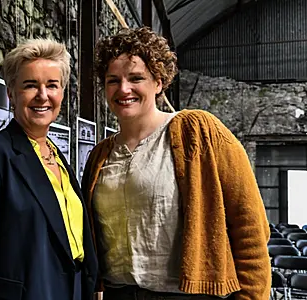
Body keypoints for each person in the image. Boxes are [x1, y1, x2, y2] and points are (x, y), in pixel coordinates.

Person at [81, 27, 271, 300]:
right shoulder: (100, 156)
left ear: (158, 82)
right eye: (113, 80)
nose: (124, 89)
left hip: (187, 294)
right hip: (118, 293)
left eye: (136, 78)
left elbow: (250, 227)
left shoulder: (198, 132)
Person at [0, 38, 98, 300]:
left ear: (62, 93)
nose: (42, 96)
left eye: (52, 85)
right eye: (30, 85)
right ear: (11, 93)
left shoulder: (57, 156)